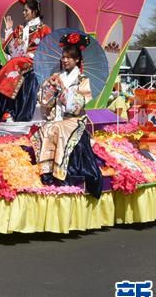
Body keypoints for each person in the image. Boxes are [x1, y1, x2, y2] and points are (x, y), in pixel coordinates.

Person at [31, 33, 102, 198]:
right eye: (63, 57)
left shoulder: (83, 81)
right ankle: (46, 171)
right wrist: (51, 87)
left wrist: (62, 89)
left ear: (77, 60)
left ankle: (58, 172)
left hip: (73, 120)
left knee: (57, 128)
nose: (65, 60)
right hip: (56, 117)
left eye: (69, 58)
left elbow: (75, 107)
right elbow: (44, 101)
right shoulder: (56, 77)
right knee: (46, 128)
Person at [0, 0, 51, 122]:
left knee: (14, 63)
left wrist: (34, 55)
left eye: (26, 11)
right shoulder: (20, 29)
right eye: (23, 10)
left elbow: (49, 50)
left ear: (34, 12)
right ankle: (8, 110)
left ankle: (10, 109)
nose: (23, 13)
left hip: (35, 61)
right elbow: (8, 48)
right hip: (20, 59)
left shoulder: (44, 29)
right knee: (13, 63)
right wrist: (8, 30)